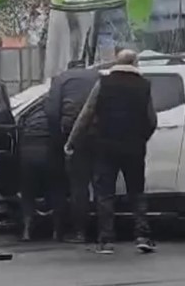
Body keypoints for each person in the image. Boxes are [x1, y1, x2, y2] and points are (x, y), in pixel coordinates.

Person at [65, 49, 157, 255]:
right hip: (134, 148)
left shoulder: (104, 83)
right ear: (135, 62)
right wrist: (142, 137)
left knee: (105, 194)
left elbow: (86, 113)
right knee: (137, 192)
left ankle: (106, 240)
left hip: (105, 146)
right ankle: (142, 236)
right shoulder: (144, 86)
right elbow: (152, 119)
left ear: (117, 61)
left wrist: (72, 141)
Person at [45, 59, 100, 243]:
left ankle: (80, 232)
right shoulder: (98, 76)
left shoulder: (61, 79)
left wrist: (57, 139)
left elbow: (52, 111)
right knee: (102, 185)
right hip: (98, 133)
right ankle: (104, 232)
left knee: (79, 186)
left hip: (73, 135)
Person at [16, 93, 57, 241]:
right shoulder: (55, 113)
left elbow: (18, 130)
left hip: (28, 154)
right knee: (55, 190)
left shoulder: (29, 113)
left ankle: (26, 231)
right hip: (48, 153)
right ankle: (56, 231)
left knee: (28, 193)